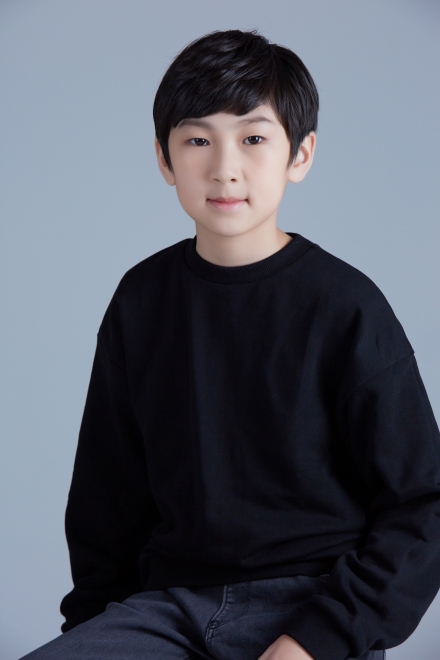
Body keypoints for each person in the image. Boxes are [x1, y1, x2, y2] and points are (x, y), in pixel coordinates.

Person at [19, 29, 440, 660]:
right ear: (164, 160)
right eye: (197, 140)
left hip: (314, 607)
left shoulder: (345, 305)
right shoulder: (141, 299)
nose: (224, 168)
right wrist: (92, 631)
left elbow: (422, 503)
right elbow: (107, 497)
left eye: (253, 138)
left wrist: (318, 638)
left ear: (300, 154)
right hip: (168, 609)